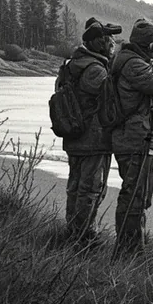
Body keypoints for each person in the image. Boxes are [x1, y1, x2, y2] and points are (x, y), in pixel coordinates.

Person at [110, 18, 153, 255]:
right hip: (135, 139)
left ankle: (131, 247)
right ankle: (129, 250)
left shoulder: (128, 60)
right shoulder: (134, 65)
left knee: (138, 194)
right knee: (135, 194)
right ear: (149, 45)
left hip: (136, 136)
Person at [62, 16, 123, 244]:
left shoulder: (74, 65)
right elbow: (111, 99)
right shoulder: (95, 69)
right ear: (98, 43)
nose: (111, 44)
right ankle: (84, 236)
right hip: (93, 139)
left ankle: (73, 232)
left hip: (74, 137)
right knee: (90, 189)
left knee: (76, 187)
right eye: (108, 41)